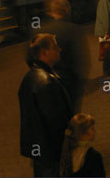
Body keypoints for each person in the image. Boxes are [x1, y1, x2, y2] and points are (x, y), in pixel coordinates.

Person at [19, 34, 73, 177]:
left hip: (41, 151)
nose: (59, 50)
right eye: (55, 47)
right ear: (44, 53)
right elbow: (56, 122)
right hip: (50, 152)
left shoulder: (30, 77)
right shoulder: (45, 82)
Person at [41, 0, 89, 114]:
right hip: (70, 85)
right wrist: (80, 82)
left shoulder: (40, 31)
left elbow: (30, 57)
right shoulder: (74, 30)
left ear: (51, 11)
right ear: (66, 11)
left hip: (46, 83)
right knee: (71, 118)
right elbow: (81, 60)